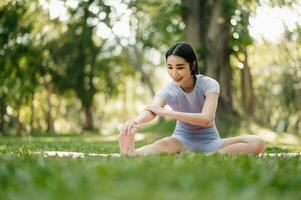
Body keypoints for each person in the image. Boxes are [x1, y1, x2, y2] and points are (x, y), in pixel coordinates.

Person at [118, 42, 264, 156]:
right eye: (170, 67)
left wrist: (166, 113)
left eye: (180, 67)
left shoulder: (209, 84)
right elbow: (152, 110)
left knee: (257, 142)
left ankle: (210, 156)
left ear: (192, 65)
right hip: (180, 141)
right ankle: (131, 152)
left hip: (211, 142)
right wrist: (134, 122)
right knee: (163, 144)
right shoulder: (168, 90)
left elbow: (206, 119)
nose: (174, 73)